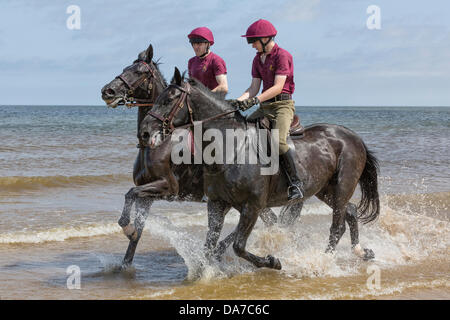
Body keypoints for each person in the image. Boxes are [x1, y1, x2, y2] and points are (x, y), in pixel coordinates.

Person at [231, 19, 304, 200]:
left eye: (253, 41)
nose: (252, 45)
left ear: (265, 38)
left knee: (278, 142)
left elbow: (278, 87)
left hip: (282, 106)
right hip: (265, 106)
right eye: (251, 41)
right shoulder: (257, 59)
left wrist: (255, 100)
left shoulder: (282, 56)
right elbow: (254, 87)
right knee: (241, 132)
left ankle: (296, 183)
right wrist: (238, 101)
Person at [187, 27, 228, 93]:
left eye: (199, 44)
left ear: (208, 44)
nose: (195, 47)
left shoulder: (216, 60)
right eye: (193, 44)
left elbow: (223, 87)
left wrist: (203, 98)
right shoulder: (191, 62)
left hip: (213, 101)